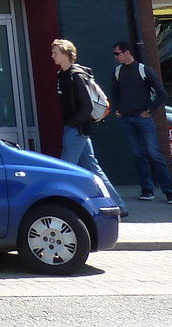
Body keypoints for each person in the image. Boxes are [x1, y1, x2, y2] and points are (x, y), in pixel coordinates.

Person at [51, 39, 127, 216]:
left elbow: (86, 106)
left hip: (77, 130)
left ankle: (62, 209)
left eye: (55, 52)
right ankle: (120, 206)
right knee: (93, 168)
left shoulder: (76, 75)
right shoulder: (61, 75)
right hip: (78, 129)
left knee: (65, 170)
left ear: (66, 53)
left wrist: (72, 124)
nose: (52, 55)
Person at [110, 41, 172, 204]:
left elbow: (162, 93)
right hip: (127, 119)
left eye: (117, 54)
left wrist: (148, 110)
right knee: (138, 154)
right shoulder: (118, 71)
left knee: (154, 154)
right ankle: (147, 189)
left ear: (127, 52)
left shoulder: (142, 70)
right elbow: (114, 93)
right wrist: (117, 109)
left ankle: (169, 191)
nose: (115, 57)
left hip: (143, 118)